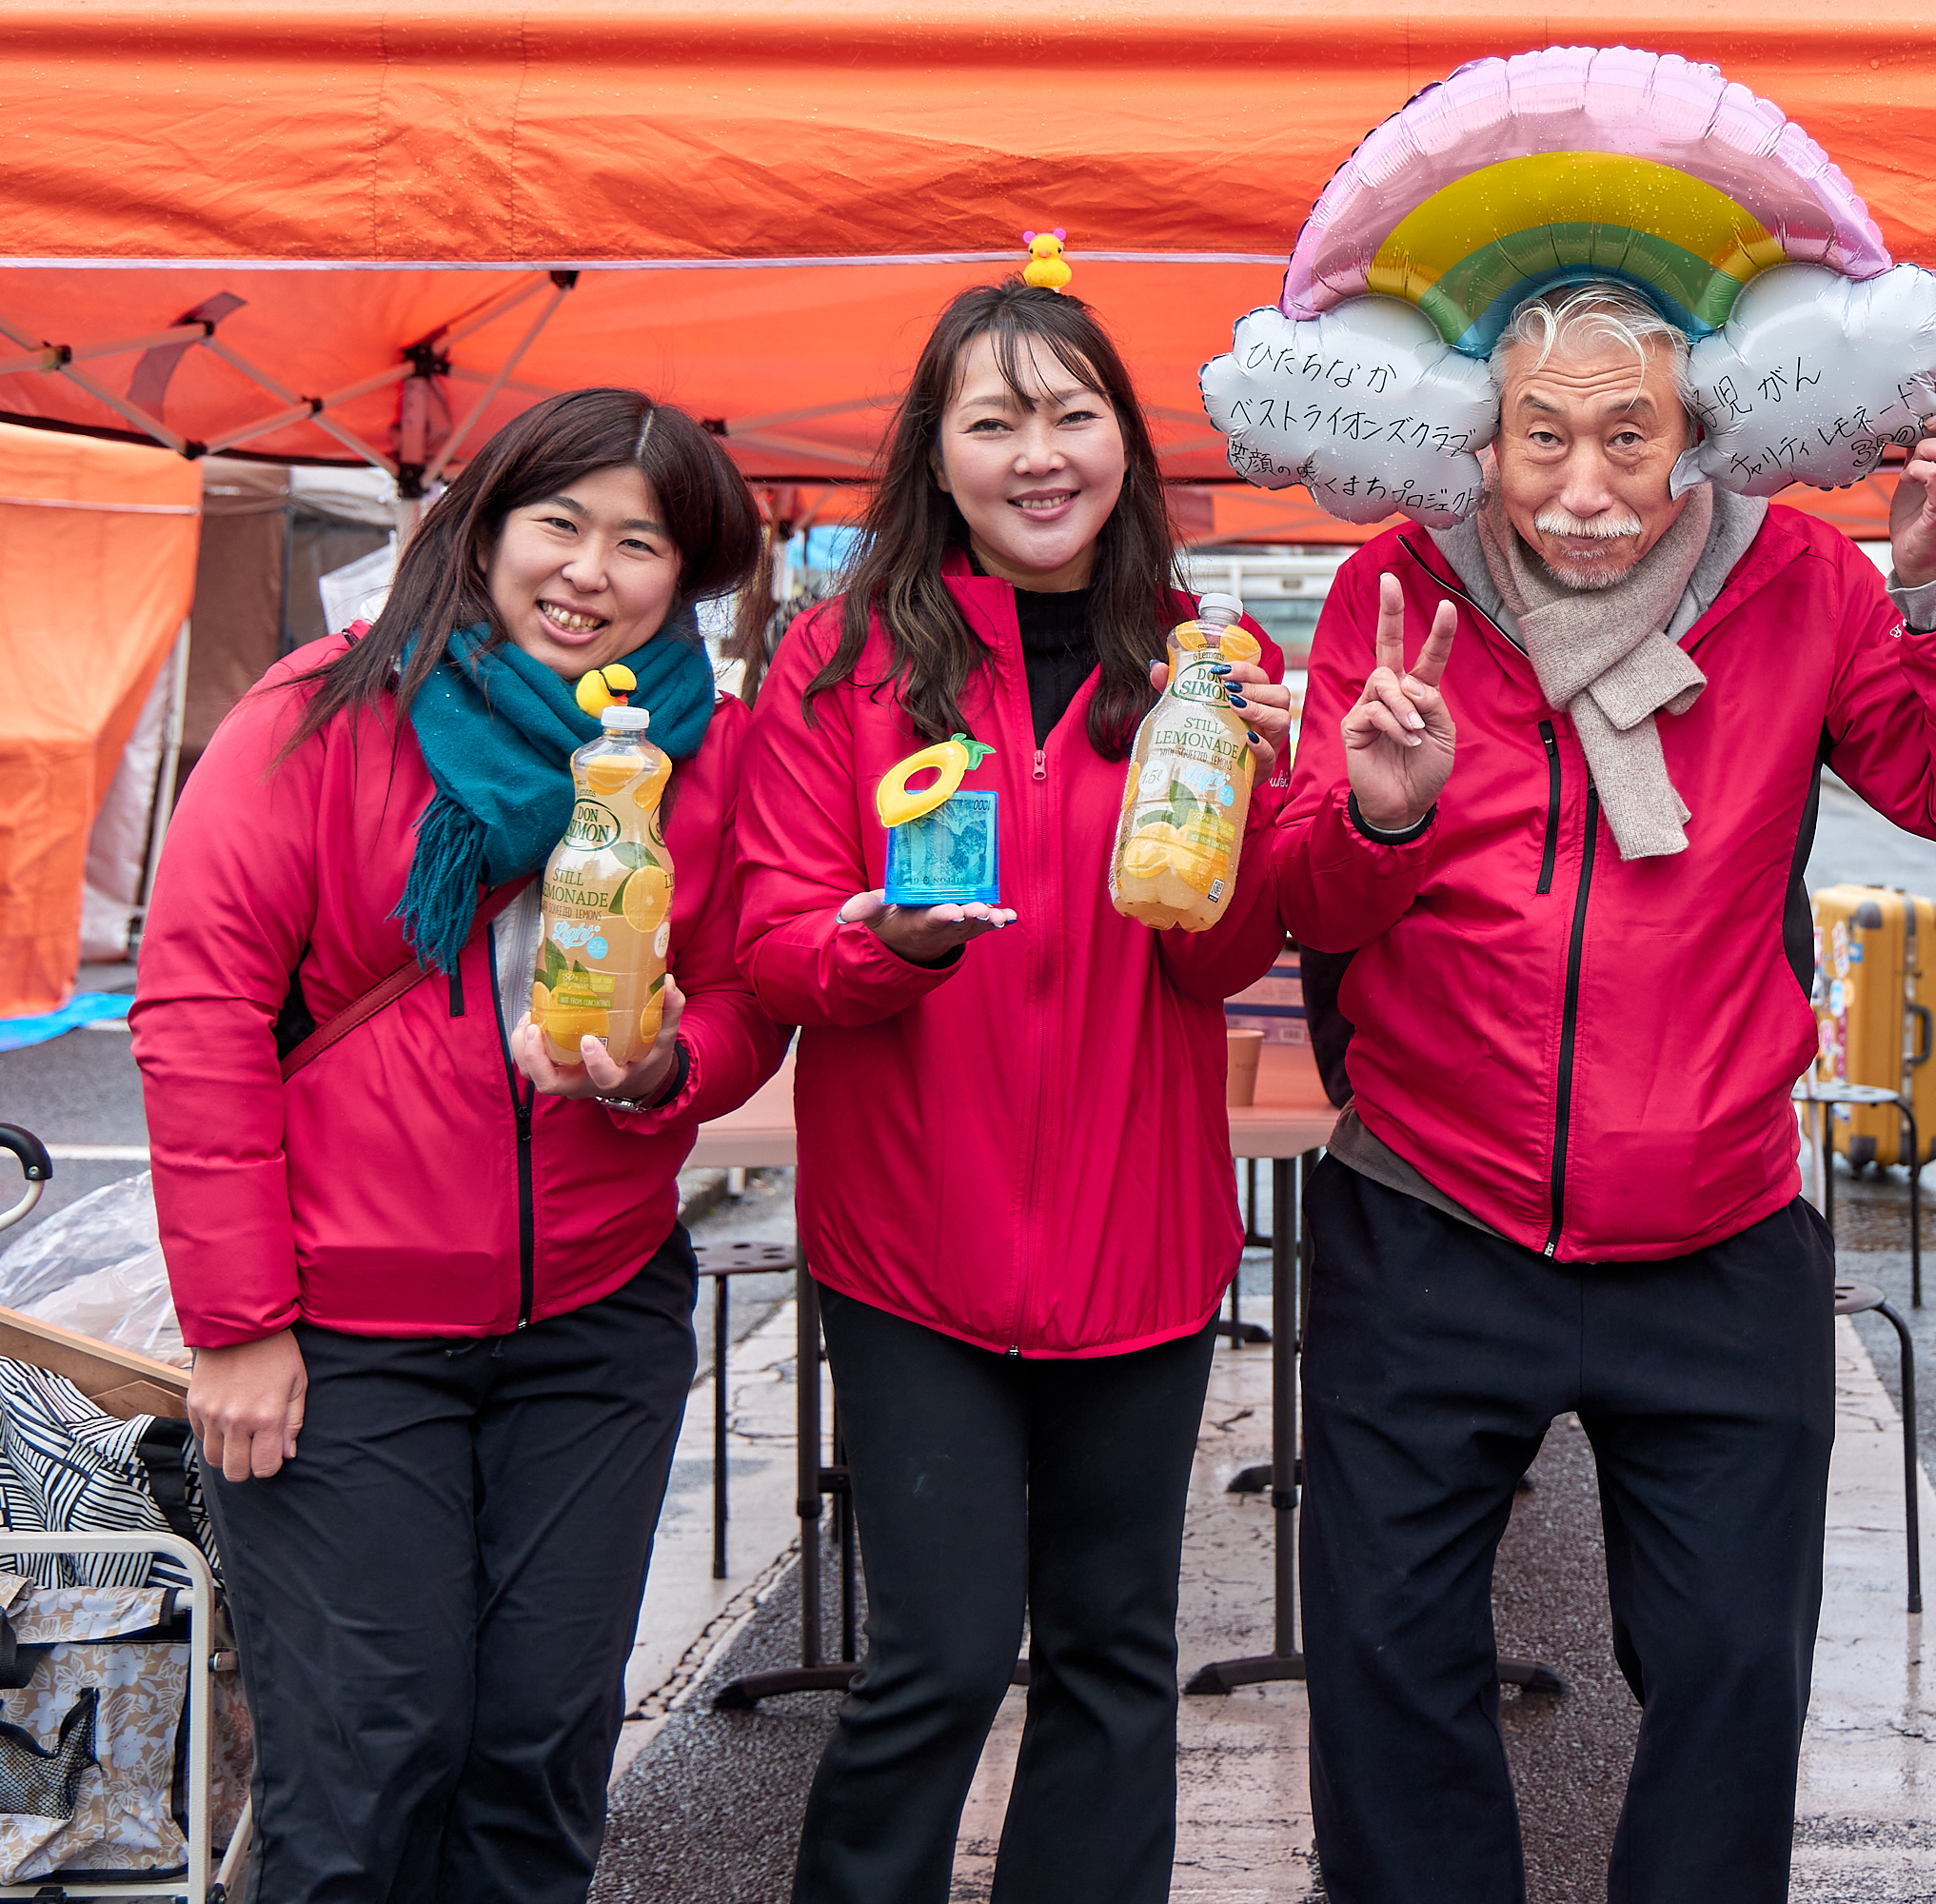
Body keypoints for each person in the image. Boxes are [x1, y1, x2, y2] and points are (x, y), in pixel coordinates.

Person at [1274, 277, 1936, 1903]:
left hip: (1717, 1228)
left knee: (1736, 1670)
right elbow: (1310, 909)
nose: (1585, 489)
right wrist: (1381, 816)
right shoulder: (1393, 595)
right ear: (1482, 441)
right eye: (1542, 438)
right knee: (1388, 1667)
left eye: (1631, 435)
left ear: (1700, 438)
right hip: (1429, 1215)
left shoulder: (1804, 583)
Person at [134, 387, 785, 1901]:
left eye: (641, 542)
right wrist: (237, 1325)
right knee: (369, 1751)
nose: (590, 570)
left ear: (681, 576)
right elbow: (200, 1013)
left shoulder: (710, 748)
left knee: (539, 1747)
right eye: (560, 521)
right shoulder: (321, 712)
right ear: (483, 526)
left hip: (597, 1316)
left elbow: (752, 986)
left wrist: (671, 1066)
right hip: (341, 1329)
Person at [733, 279, 1292, 1904]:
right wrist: (888, 948)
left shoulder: (1211, 660)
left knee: (1119, 1659)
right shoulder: (841, 663)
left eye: (1072, 416)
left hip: (1144, 1249)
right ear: (938, 452)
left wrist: (1275, 814)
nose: (1038, 457)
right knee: (941, 1660)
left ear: (1125, 440)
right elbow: (772, 944)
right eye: (996, 421)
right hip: (916, 1250)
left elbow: (1222, 961)